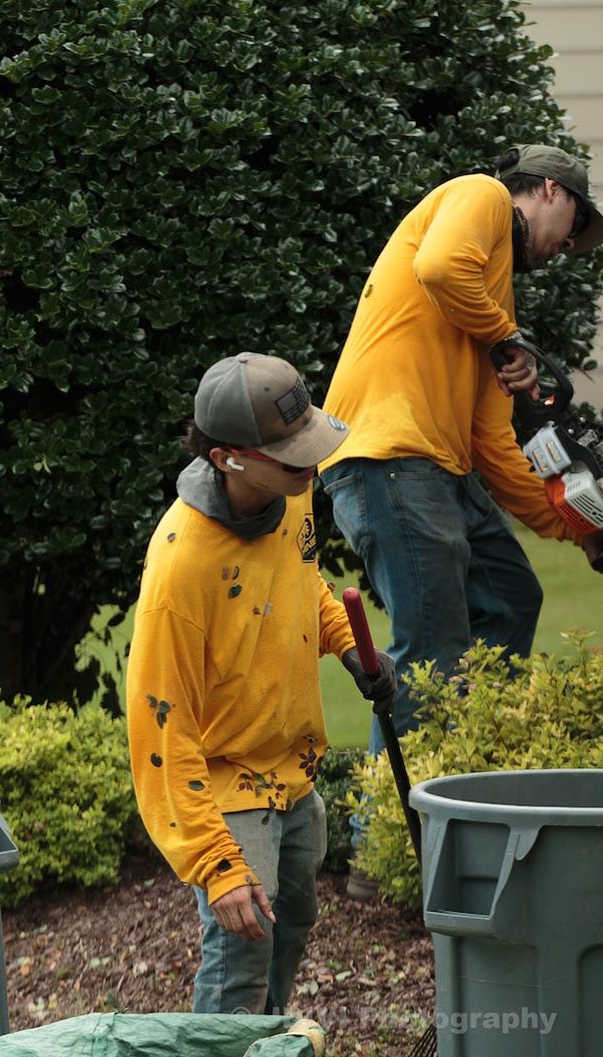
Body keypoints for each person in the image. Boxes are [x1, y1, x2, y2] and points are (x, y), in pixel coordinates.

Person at [320, 144, 603, 890]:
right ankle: (381, 847)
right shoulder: (480, 197)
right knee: (433, 647)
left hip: (438, 467)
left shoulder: (493, 302)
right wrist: (506, 339)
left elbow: (491, 442)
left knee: (512, 596)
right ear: (546, 189)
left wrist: (579, 529)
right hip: (387, 456)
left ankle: (468, 773)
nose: (571, 245)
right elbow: (439, 269)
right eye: (574, 223)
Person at [127, 352, 393, 1016]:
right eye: (291, 454)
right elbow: (162, 727)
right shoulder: (183, 564)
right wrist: (216, 862)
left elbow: (303, 584)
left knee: (292, 925)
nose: (311, 465)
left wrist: (352, 647)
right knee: (240, 959)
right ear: (228, 459)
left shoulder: (286, 498)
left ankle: (264, 1039)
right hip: (223, 784)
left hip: (292, 771)